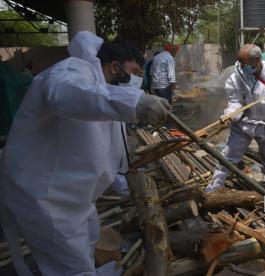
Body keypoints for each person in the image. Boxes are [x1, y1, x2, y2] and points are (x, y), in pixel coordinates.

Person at [0, 31, 170, 275]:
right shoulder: (71, 72)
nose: (135, 80)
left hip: (70, 194)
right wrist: (133, 103)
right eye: (133, 72)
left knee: (88, 242)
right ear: (114, 66)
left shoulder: (100, 87)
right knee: (70, 265)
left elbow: (100, 149)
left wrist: (124, 183)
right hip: (42, 194)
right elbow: (67, 96)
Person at [204, 44, 265, 193]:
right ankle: (215, 186)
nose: (242, 67)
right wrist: (231, 114)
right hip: (244, 124)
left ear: (257, 60)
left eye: (245, 64)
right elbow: (235, 101)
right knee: (228, 156)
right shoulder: (236, 78)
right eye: (240, 63)